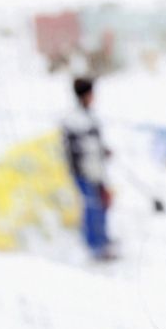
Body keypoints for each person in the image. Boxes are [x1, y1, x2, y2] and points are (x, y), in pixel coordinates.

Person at [61, 77, 115, 260]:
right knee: (92, 207)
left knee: (102, 203)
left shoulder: (89, 116)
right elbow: (77, 149)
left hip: (96, 169)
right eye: (92, 93)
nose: (94, 97)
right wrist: (85, 165)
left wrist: (103, 151)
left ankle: (103, 239)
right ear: (85, 95)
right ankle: (95, 247)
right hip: (84, 171)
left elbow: (94, 143)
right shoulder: (74, 119)